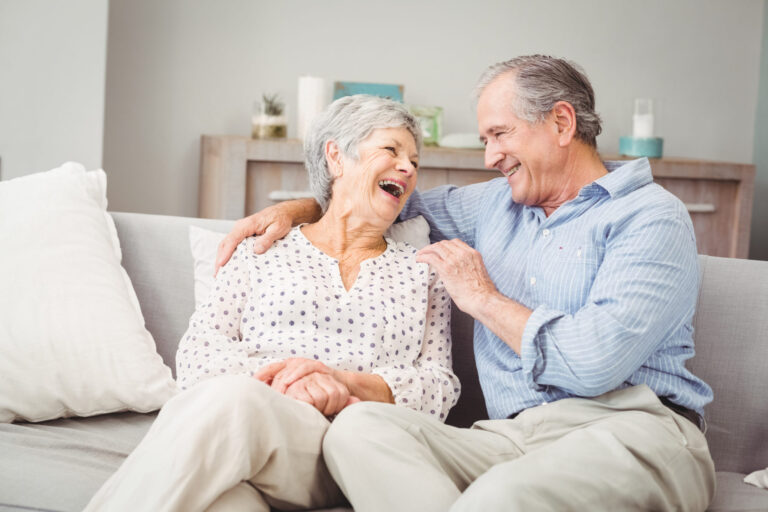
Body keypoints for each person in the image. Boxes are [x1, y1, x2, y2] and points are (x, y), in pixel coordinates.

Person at [215, 55, 716, 511]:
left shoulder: (650, 217)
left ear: (561, 123)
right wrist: (296, 209)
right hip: (512, 438)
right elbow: (380, 202)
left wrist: (482, 299)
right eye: (485, 141)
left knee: (502, 497)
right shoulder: (495, 204)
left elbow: (592, 364)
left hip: (634, 430)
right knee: (357, 428)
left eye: (500, 134)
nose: (489, 157)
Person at [85, 94, 459, 512]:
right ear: (336, 157)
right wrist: (292, 384)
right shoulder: (263, 250)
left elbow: (439, 388)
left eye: (414, 160)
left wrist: (341, 383)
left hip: (347, 449)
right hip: (246, 434)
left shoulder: (424, 271)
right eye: (391, 150)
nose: (408, 168)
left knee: (235, 402)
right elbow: (198, 356)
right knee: (227, 504)